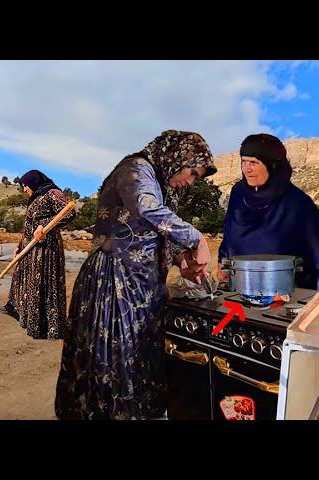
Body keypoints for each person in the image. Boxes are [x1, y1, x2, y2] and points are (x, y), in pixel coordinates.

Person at [55, 130, 216, 420]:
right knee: (115, 360)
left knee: (140, 359)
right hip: (114, 281)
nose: (190, 182)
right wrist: (196, 238)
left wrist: (182, 261)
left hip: (142, 286)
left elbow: (151, 233)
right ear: (177, 157)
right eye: (192, 173)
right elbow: (146, 208)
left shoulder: (160, 183)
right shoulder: (136, 169)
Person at [218, 133, 319, 291]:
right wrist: (223, 260)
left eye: (254, 162)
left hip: (288, 293)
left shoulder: (298, 204)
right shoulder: (238, 194)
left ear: (272, 165)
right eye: (244, 162)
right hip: (241, 286)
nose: (247, 169)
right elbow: (230, 233)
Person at [3, 170, 74, 339]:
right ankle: (28, 319)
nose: (24, 189)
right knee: (26, 281)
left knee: (44, 284)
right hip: (30, 249)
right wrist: (20, 246)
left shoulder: (52, 193)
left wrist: (44, 226)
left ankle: (47, 327)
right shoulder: (34, 199)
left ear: (34, 182)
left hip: (46, 250)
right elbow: (29, 225)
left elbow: (69, 212)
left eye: (25, 185)